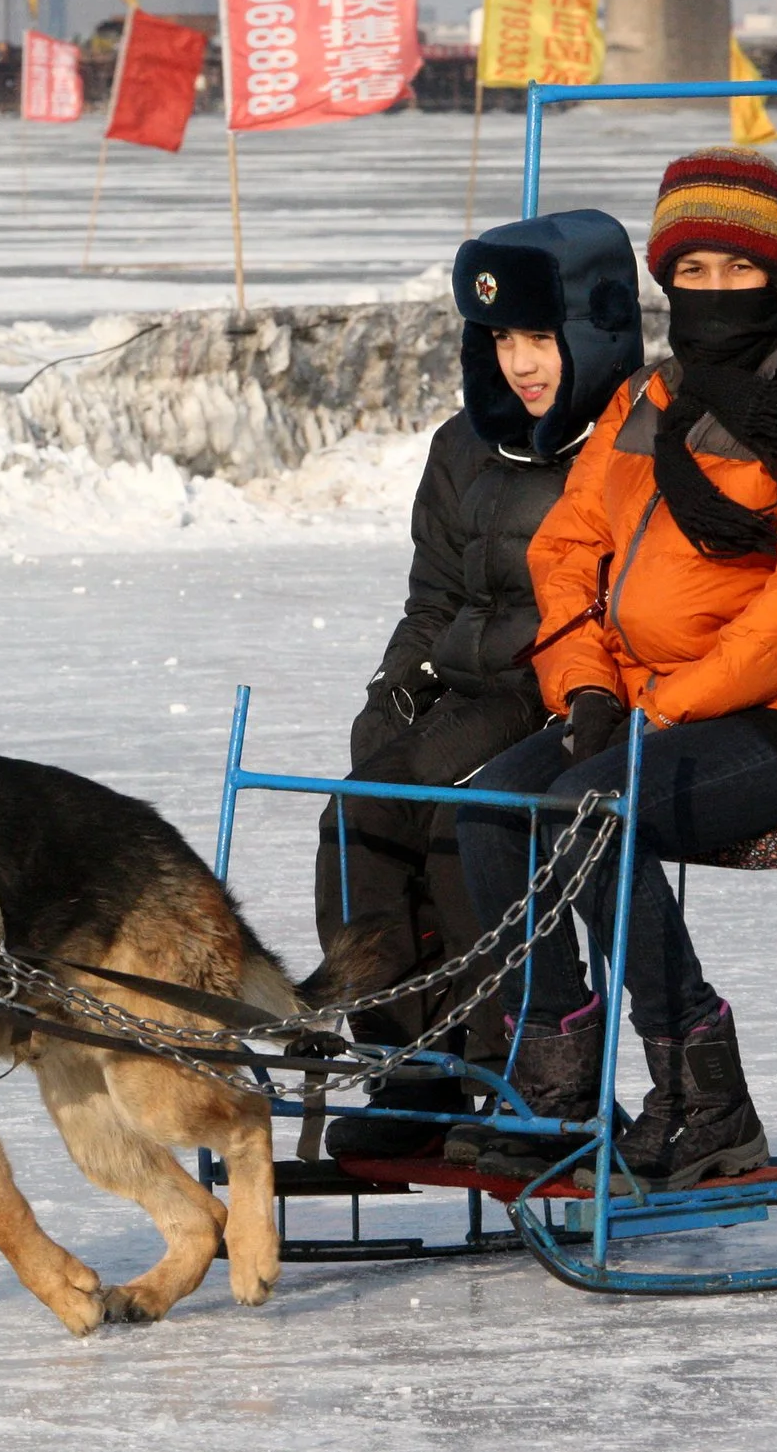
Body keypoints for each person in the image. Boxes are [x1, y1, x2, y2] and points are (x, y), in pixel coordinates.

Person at [450, 147, 777, 1192]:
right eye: (691, 270)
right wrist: (582, 683)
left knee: (592, 813)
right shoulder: (650, 401)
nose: (711, 292)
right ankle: (557, 1082)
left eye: (737, 269)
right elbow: (566, 551)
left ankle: (705, 1100)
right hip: (644, 702)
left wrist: (671, 702)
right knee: (490, 805)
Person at [315, 207, 643, 1160]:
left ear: (592, 327)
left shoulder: (628, 440)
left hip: (565, 692)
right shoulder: (465, 445)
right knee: (356, 816)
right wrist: (392, 690)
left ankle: (512, 1068)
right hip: (468, 688)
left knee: (466, 817)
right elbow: (433, 596)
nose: (522, 363)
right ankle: (412, 1068)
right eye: (501, 339)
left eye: (541, 337)